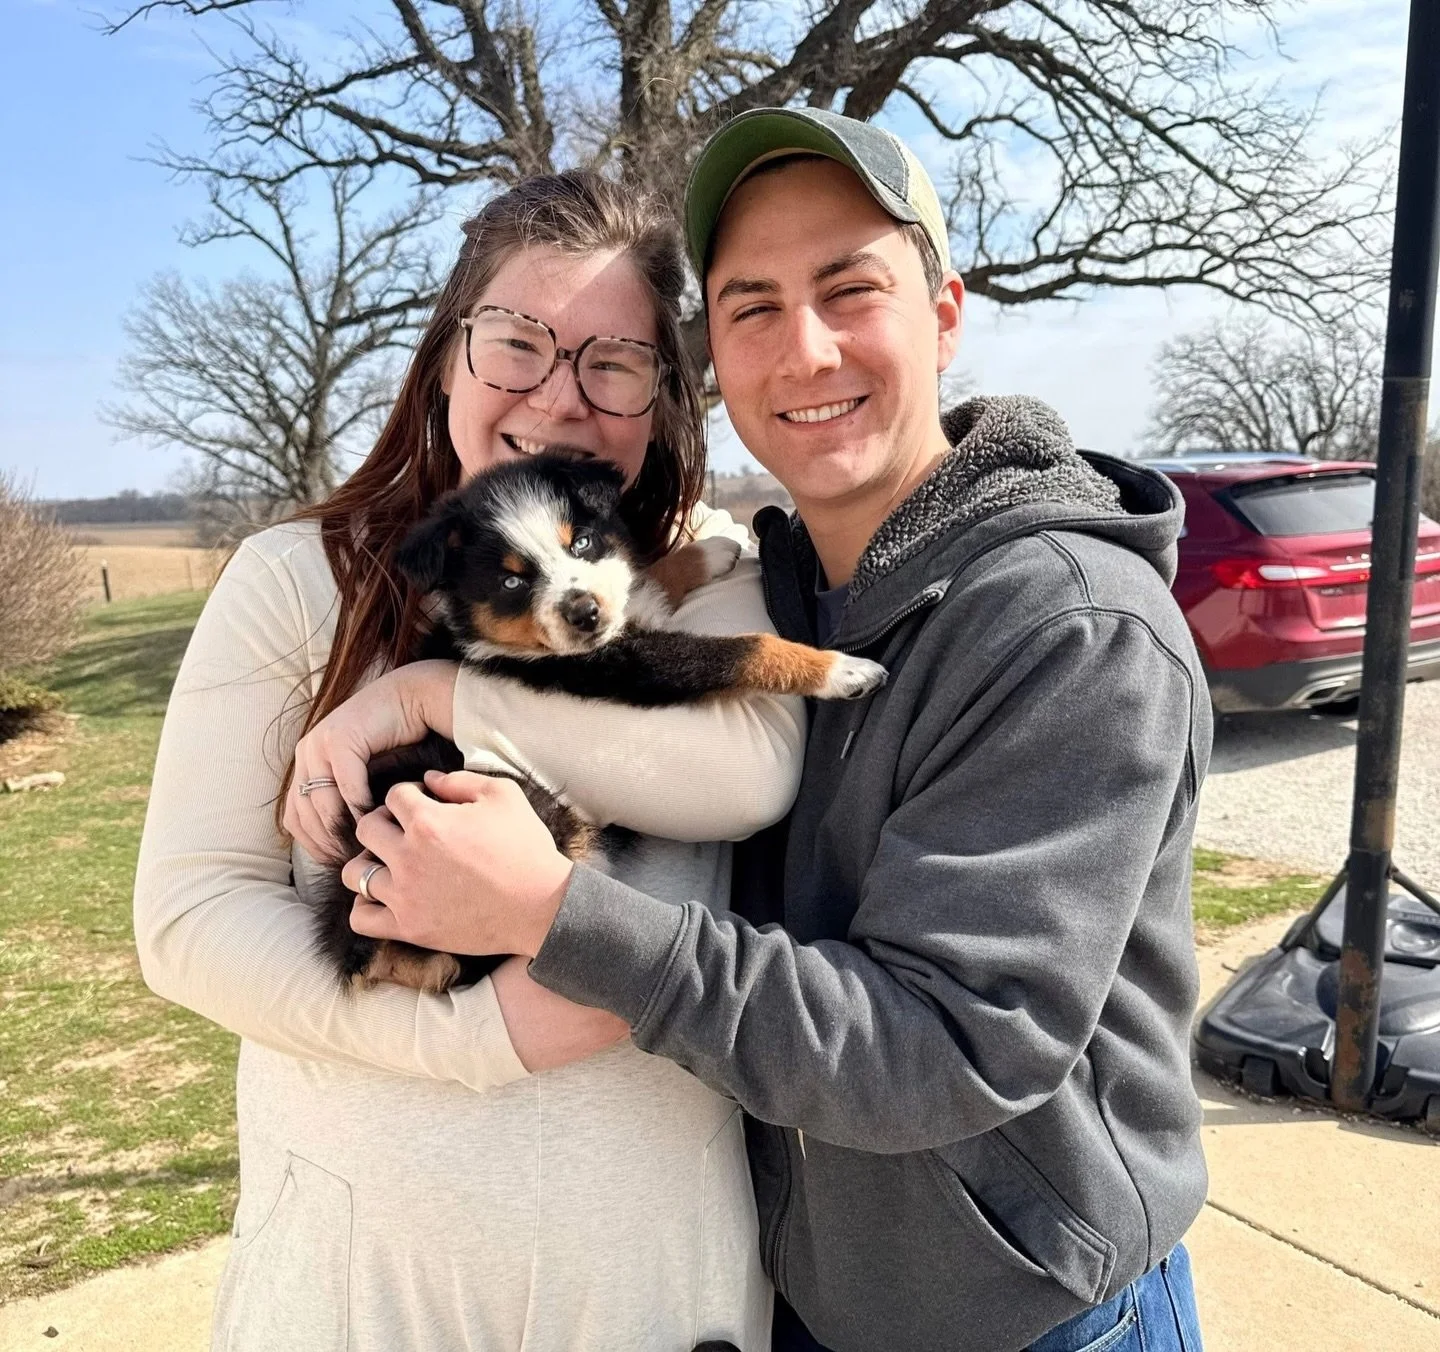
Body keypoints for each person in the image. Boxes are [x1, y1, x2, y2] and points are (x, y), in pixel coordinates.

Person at [337, 110, 1213, 1352]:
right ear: (716, 360)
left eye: (850, 289)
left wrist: (550, 912)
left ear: (947, 312)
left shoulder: (1069, 628)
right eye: (751, 307)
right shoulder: (787, 585)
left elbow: (944, 1042)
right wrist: (413, 695)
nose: (803, 351)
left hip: (1030, 1317)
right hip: (804, 1297)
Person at [133, 170, 803, 1351]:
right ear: (448, 357)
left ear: (660, 402)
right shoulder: (304, 580)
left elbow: (747, 771)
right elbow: (186, 916)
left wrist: (444, 692)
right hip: (366, 1275)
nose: (559, 397)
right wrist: (473, 1035)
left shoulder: (703, 577)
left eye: (614, 361)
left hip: (652, 1268)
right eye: (517, 343)